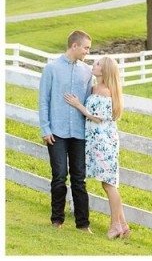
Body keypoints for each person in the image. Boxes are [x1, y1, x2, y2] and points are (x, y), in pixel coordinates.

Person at [64, 56, 130, 239]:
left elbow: (97, 118)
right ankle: (123, 225)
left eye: (98, 64)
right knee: (107, 183)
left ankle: (115, 225)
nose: (94, 65)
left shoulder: (107, 91)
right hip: (95, 142)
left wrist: (78, 105)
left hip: (105, 142)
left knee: (109, 184)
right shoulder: (95, 88)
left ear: (106, 70)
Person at [39, 29, 94, 232]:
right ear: (74, 46)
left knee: (79, 178)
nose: (88, 52)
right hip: (57, 132)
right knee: (59, 175)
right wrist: (45, 128)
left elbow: (88, 102)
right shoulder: (51, 69)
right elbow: (43, 100)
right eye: (86, 48)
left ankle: (83, 224)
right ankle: (57, 220)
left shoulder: (87, 72)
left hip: (79, 133)